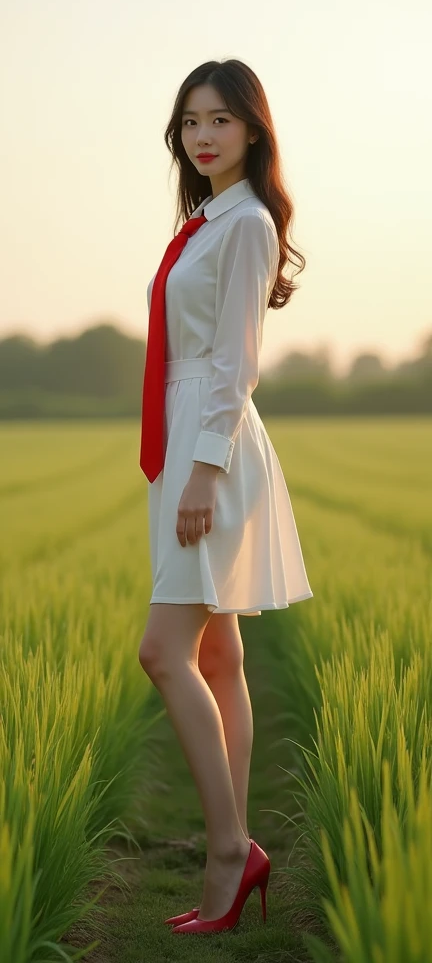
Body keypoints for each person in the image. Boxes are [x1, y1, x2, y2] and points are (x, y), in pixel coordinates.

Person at [138, 58, 314, 935]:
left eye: (219, 121)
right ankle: (229, 865)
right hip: (187, 438)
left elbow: (237, 365)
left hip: (210, 443)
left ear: (253, 129)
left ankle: (228, 851)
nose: (202, 137)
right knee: (217, 658)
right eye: (190, 122)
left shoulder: (243, 224)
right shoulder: (204, 221)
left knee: (162, 652)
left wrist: (202, 471)